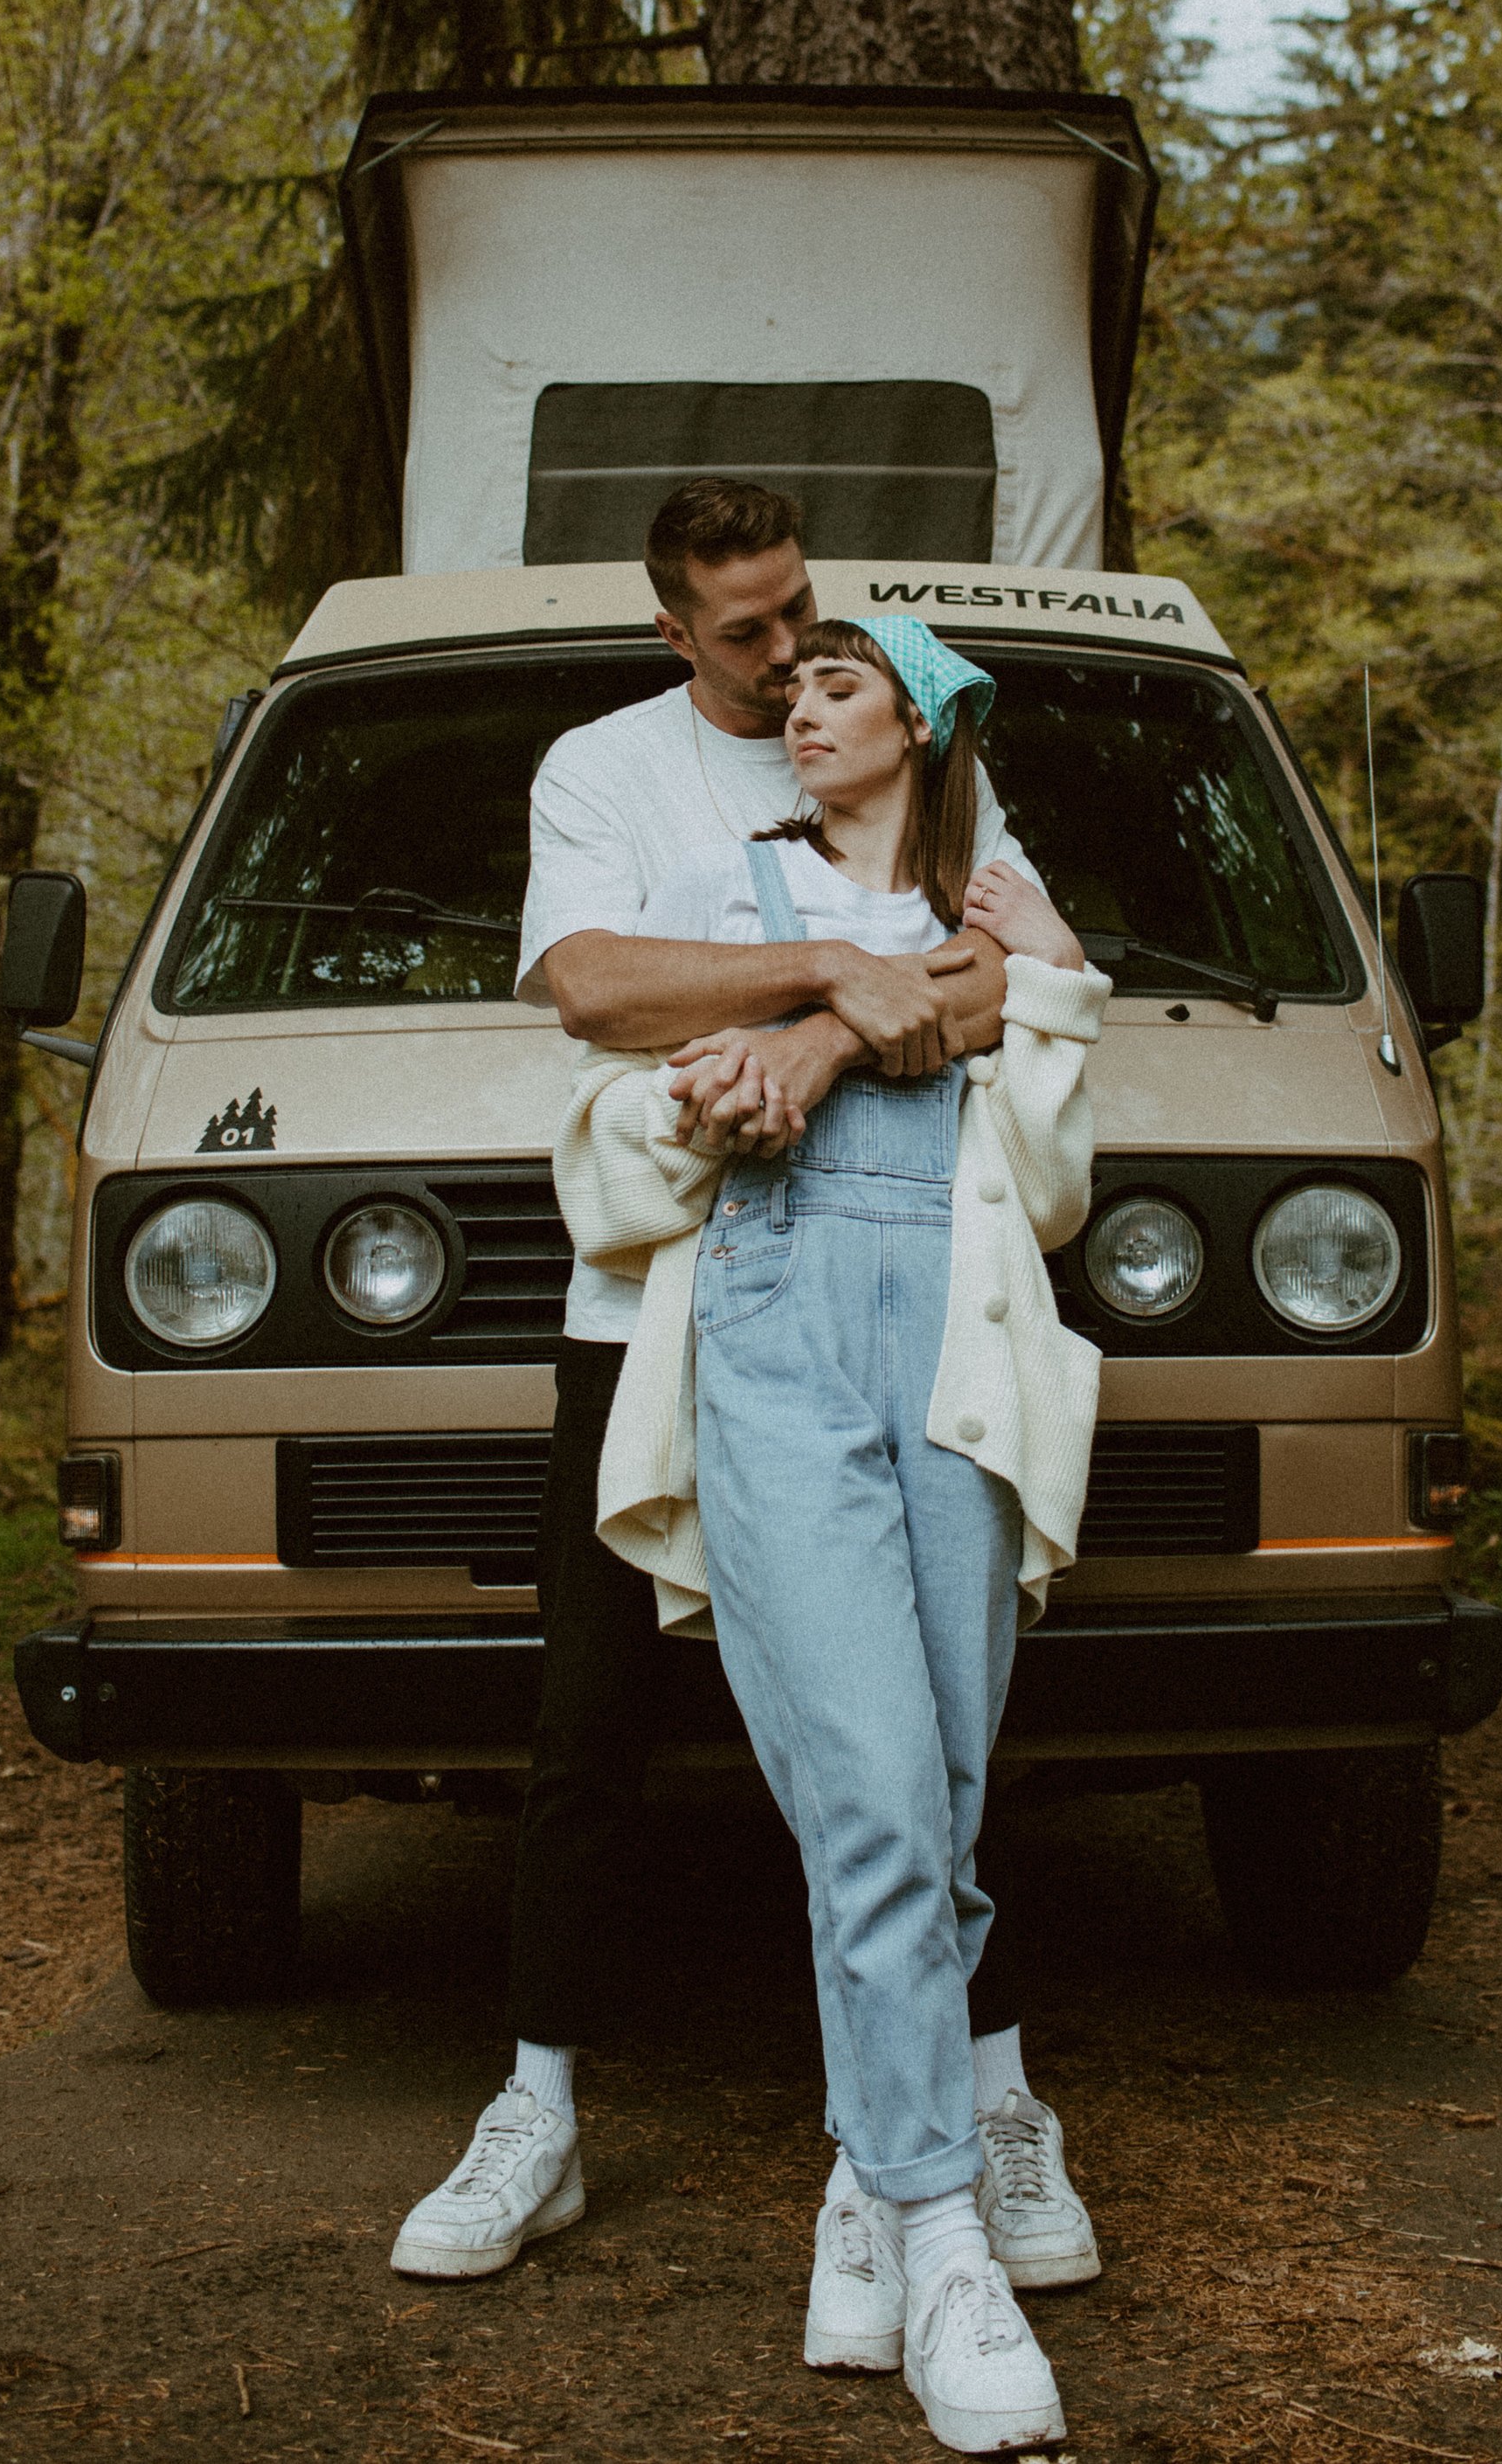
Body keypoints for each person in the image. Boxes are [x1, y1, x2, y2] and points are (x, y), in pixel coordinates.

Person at [391, 484, 1100, 2326]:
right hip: (656, 1296)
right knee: (593, 1708)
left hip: (901, 1291)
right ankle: (537, 2104)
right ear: (670, 635)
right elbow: (594, 986)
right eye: (745, 634)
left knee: (939, 1718)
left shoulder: (905, 736)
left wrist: (811, 1031)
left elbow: (993, 954)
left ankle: (977, 2101)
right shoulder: (610, 775)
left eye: (804, 620)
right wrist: (825, 971)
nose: (787, 658)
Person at [558, 616, 1110, 2453]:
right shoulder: (723, 893)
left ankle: (863, 2182)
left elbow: (1043, 1192)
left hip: (948, 1343)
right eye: (785, 690)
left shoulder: (1003, 906)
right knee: (872, 1784)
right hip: (771, 1321)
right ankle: (949, 2230)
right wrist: (721, 1079)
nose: (796, 710)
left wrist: (1050, 991)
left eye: (837, 688)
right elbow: (607, 1145)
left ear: (922, 724)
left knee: (937, 1799)